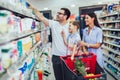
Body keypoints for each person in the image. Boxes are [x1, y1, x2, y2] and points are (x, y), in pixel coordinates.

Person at [28, 3, 71, 80]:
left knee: (69, 78)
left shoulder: (70, 27)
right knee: (58, 78)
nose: (57, 14)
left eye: (60, 13)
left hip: (68, 57)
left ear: (65, 16)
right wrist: (33, 8)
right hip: (56, 57)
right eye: (58, 13)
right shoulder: (54, 24)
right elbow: (41, 17)